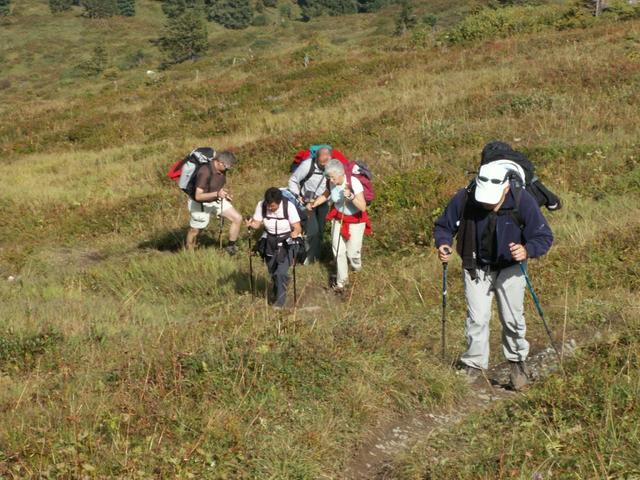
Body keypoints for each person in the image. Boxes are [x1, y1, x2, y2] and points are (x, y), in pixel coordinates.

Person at [433, 162, 553, 390]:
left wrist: (527, 250)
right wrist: (444, 244)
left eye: (492, 198)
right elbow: (444, 226)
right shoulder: (465, 197)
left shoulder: (522, 200)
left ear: (506, 188)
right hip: (475, 266)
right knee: (477, 319)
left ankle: (517, 363)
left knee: (512, 319)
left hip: (511, 269)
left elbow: (543, 235)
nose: (486, 203)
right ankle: (474, 365)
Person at [309, 159, 371, 293]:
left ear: (341, 174)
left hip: (355, 220)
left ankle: (357, 272)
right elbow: (326, 194)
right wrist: (314, 204)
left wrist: (351, 197)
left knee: (353, 253)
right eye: (329, 177)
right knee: (338, 251)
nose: (331, 180)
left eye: (333, 177)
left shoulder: (353, 183)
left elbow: (363, 207)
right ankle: (341, 283)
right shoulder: (331, 183)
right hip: (338, 218)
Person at [246, 187, 302, 308]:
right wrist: (251, 224)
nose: (270, 208)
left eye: (273, 206)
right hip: (270, 241)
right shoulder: (261, 205)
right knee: (273, 272)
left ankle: (280, 304)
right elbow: (257, 223)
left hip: (288, 242)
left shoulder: (289, 206)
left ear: (279, 202)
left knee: (280, 272)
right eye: (268, 205)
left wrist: (295, 233)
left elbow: (297, 226)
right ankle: (280, 288)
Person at [185, 151, 243, 254]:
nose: (228, 169)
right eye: (227, 167)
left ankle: (230, 247)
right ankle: (189, 253)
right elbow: (198, 196)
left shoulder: (221, 169)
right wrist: (217, 194)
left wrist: (225, 195)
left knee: (237, 218)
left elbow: (216, 185)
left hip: (216, 200)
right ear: (220, 162)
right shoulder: (205, 172)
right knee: (195, 231)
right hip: (201, 204)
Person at [288, 145, 332, 263]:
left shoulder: (332, 165)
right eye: (322, 162)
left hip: (323, 202)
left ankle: (316, 257)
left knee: (321, 230)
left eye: (326, 161)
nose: (324, 165)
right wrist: (298, 197)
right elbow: (293, 181)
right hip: (307, 203)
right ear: (316, 158)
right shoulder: (307, 165)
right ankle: (307, 259)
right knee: (312, 230)